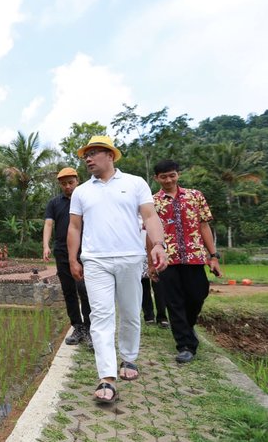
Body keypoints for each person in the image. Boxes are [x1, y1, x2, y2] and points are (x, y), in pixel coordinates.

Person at [67, 136, 167, 403]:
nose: (88, 158)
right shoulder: (81, 191)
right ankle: (107, 377)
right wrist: (73, 259)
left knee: (130, 311)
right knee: (100, 316)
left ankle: (129, 358)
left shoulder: (135, 183)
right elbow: (74, 227)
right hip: (95, 260)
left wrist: (158, 244)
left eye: (94, 153)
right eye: (85, 155)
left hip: (130, 258)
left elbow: (150, 216)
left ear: (110, 155)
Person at [151, 159, 222, 363]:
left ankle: (187, 328)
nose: (168, 180)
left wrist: (213, 256)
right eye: (163, 176)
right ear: (157, 178)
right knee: (174, 302)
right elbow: (150, 235)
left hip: (194, 257)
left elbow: (204, 226)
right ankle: (185, 345)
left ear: (178, 175)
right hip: (167, 259)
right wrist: (151, 263)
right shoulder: (153, 201)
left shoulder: (195, 196)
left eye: (172, 175)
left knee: (198, 294)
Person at [43, 167, 92, 346]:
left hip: (84, 251)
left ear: (77, 180)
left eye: (70, 182)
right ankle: (77, 327)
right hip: (62, 252)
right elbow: (49, 224)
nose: (68, 186)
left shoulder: (86, 199)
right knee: (69, 291)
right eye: (64, 184)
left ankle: (89, 328)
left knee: (85, 290)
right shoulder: (54, 203)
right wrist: (46, 245)